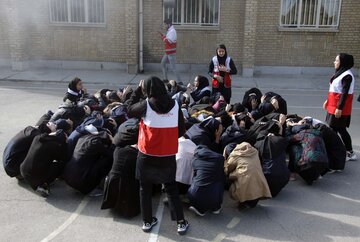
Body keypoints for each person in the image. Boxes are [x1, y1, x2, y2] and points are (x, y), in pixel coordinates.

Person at [127, 76, 189, 235]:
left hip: (147, 153)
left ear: (147, 89)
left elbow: (128, 109)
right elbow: (181, 131)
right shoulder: (176, 105)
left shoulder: (145, 105)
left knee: (145, 187)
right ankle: (180, 222)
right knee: (170, 187)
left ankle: (147, 221)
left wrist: (137, 91)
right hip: (167, 154)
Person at [323, 53, 357, 161]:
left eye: (336, 60)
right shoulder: (339, 73)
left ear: (343, 62)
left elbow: (344, 93)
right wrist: (327, 101)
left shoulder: (347, 75)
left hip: (339, 108)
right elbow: (334, 90)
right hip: (333, 106)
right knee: (338, 130)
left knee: (337, 130)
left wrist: (339, 108)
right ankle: (347, 152)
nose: (334, 62)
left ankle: (347, 153)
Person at [187, 145, 225, 216]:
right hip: (215, 194)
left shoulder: (195, 161)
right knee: (219, 180)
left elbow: (194, 176)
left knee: (196, 181)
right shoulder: (220, 158)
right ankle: (216, 208)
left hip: (195, 194)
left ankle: (200, 209)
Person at [159, 19, 181, 83]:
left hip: (171, 53)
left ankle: (180, 81)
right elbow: (168, 39)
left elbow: (169, 41)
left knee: (174, 68)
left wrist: (163, 38)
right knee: (162, 63)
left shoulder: (172, 31)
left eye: (165, 24)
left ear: (169, 24)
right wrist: (163, 35)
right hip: (167, 52)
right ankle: (165, 79)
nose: (164, 26)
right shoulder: (170, 31)